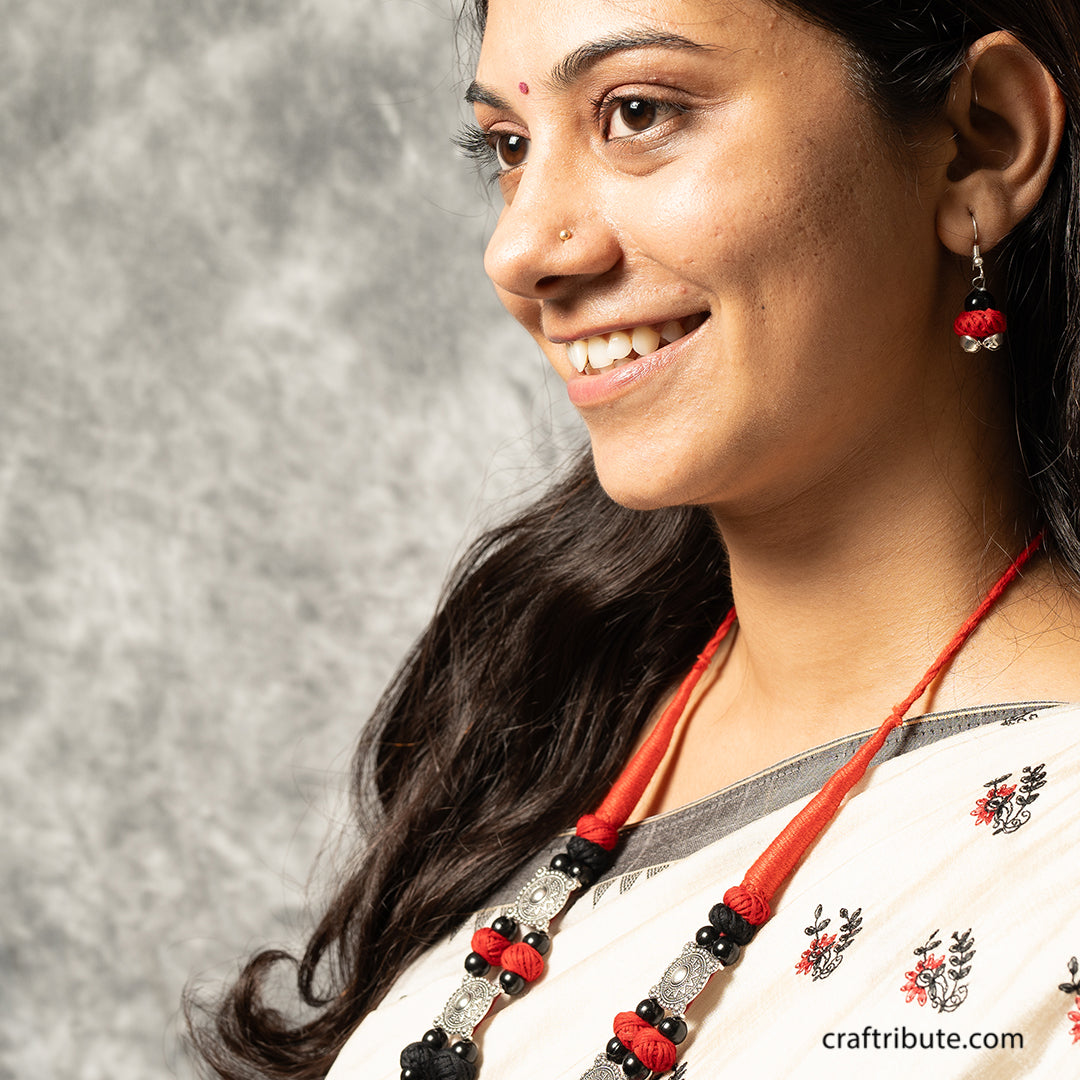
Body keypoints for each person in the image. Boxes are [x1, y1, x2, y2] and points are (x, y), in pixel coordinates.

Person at [188, 0, 1080, 1077]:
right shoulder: (549, 718)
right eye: (509, 146)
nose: (519, 249)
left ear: (983, 142)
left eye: (639, 113)